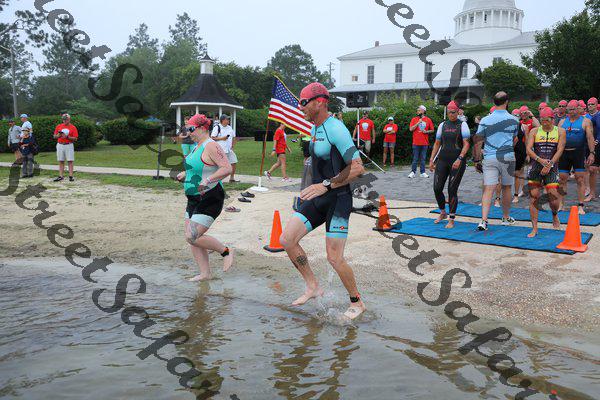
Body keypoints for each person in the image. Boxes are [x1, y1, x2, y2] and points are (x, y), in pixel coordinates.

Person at [280, 82, 366, 320]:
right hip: (318, 197)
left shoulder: (335, 129)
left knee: (334, 258)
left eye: (303, 102)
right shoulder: (314, 128)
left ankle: (357, 302)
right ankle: (313, 286)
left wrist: (325, 185)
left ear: (319, 102)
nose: (300, 107)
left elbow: (358, 167)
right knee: (287, 240)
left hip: (338, 199)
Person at [175, 114, 233, 282]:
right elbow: (200, 167)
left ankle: (226, 251)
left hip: (210, 197)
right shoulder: (197, 146)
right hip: (193, 197)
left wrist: (207, 180)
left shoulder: (211, 145)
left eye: (191, 129)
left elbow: (226, 168)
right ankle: (205, 273)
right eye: (187, 129)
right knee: (192, 239)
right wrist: (185, 173)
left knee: (192, 236)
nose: (188, 132)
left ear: (202, 128)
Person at [473, 91, 519, 231]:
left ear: (493, 102)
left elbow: (478, 141)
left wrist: (476, 160)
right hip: (507, 156)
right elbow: (515, 139)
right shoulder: (514, 120)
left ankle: (483, 221)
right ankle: (505, 218)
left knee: (488, 188)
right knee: (506, 187)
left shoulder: (485, 120)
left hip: (490, 157)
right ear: (507, 102)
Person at [429, 101, 470, 229]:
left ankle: (451, 218)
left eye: (453, 112)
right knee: (437, 188)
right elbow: (437, 143)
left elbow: (466, 144)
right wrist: (431, 159)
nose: (451, 114)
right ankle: (442, 212)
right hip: (442, 160)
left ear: (458, 112)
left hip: (457, 161)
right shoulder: (443, 125)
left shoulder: (462, 125)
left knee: (452, 189)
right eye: (449, 112)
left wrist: (460, 158)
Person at [526, 107, 566, 237]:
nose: (544, 123)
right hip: (536, 167)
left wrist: (550, 164)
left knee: (553, 198)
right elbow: (528, 149)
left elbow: (560, 150)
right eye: (542, 120)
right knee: (534, 197)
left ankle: (554, 214)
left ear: (552, 119)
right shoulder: (534, 131)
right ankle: (534, 228)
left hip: (552, 167)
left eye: (547, 120)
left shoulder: (560, 131)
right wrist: (540, 160)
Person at [558, 100, 595, 214]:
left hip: (578, 153)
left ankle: (580, 206)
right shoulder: (562, 121)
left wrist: (592, 153)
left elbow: (590, 138)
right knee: (562, 179)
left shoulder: (586, 121)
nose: (571, 111)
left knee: (580, 179)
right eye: (569, 109)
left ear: (578, 108)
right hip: (564, 153)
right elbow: (557, 138)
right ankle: (561, 204)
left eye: (573, 109)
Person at [211, 114, 239, 182]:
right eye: (227, 119)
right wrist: (222, 138)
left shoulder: (229, 128)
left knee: (234, 162)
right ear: (223, 120)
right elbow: (212, 137)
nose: (228, 120)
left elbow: (233, 137)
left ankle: (232, 178)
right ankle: (217, 179)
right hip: (220, 150)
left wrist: (232, 145)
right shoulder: (217, 127)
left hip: (229, 150)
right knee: (220, 165)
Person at [408, 105, 434, 178]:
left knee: (423, 159)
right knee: (415, 158)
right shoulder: (414, 119)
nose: (417, 111)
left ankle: (422, 172)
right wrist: (418, 123)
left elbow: (432, 130)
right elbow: (411, 129)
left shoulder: (428, 120)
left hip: (425, 143)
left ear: (423, 111)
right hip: (416, 142)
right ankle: (413, 172)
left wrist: (426, 131)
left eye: (419, 110)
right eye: (417, 110)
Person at [52, 113, 78, 182]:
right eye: (63, 119)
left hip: (69, 145)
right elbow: (54, 136)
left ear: (69, 119)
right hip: (60, 145)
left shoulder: (73, 127)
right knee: (61, 160)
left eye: (66, 119)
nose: (64, 121)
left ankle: (71, 176)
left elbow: (75, 138)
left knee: (70, 160)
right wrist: (58, 135)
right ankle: (61, 176)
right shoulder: (59, 126)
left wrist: (67, 137)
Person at [512, 108, 530, 203]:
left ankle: (516, 195)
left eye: (517, 115)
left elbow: (527, 140)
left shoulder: (524, 126)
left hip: (520, 151)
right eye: (514, 115)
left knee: (517, 173)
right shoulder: (507, 126)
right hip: (509, 150)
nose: (516, 117)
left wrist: (528, 153)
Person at [585, 97, 600, 201]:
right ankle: (592, 193)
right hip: (590, 145)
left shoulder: (599, 115)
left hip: (597, 143)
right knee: (591, 169)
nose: (590, 106)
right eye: (589, 104)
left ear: (596, 105)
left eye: (592, 104)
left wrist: (598, 140)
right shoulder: (585, 117)